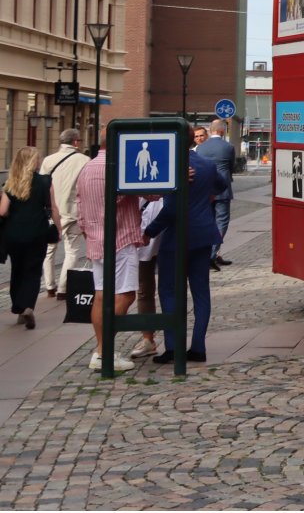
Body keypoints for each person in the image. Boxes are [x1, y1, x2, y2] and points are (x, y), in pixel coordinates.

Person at [144, 128, 223, 364]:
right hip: (202, 234)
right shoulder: (207, 164)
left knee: (168, 291)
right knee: (201, 292)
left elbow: (170, 209)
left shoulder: (170, 165)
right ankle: (198, 347)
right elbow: (220, 186)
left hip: (176, 237)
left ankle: (173, 346)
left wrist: (149, 232)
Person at [75, 133, 144, 372]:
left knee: (101, 296)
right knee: (125, 295)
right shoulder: (119, 167)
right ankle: (104, 352)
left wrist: (88, 234)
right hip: (121, 239)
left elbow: (80, 206)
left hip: (96, 241)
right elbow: (153, 193)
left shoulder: (87, 167)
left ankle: (100, 351)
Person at [0, 147, 60, 329]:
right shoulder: (45, 181)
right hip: (37, 232)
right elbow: (53, 208)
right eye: (38, 158)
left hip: (13, 234)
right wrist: (58, 227)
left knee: (17, 269)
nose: (40, 161)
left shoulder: (10, 183)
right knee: (33, 271)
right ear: (33, 161)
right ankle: (27, 306)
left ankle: (18, 307)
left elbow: (2, 211)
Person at [39, 128, 90, 299]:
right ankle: (63, 289)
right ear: (76, 142)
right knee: (72, 250)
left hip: (50, 213)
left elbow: (42, 186)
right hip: (72, 211)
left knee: (49, 249)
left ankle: (50, 287)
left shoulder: (48, 160)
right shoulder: (84, 160)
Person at [196, 119, 235, 270]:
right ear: (222, 131)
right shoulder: (228, 147)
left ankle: (207, 253)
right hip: (223, 189)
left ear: (211, 130)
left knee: (208, 221)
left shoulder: (201, 148)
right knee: (222, 221)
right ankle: (212, 254)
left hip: (205, 189)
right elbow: (231, 168)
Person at [130, 196, 163, 359]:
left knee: (170, 289)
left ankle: (173, 340)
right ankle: (148, 339)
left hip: (168, 228)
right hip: (142, 229)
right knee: (144, 290)